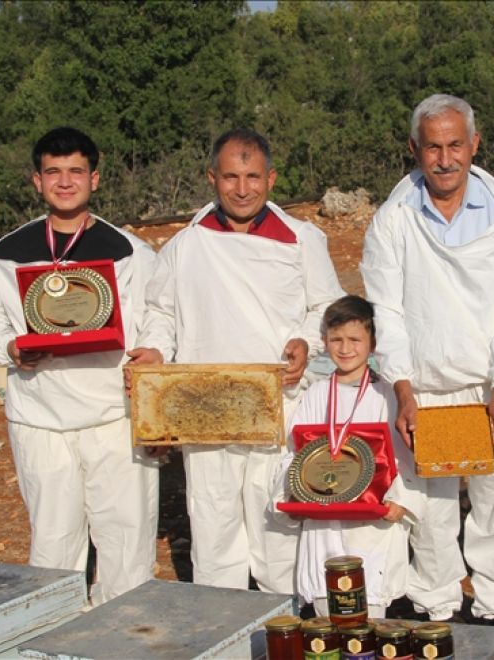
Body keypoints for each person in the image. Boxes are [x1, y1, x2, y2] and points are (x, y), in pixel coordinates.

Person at [128, 128, 345, 594]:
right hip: (205, 407)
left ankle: (283, 626)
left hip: (278, 405)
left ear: (271, 178)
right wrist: (156, 351)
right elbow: (162, 310)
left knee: (277, 531)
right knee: (214, 528)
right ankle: (221, 635)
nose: (242, 189)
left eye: (252, 176)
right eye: (230, 177)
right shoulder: (187, 244)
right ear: (212, 177)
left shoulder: (302, 240)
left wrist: (306, 343)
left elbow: (327, 310)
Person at [360, 94, 494, 623]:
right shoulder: (392, 220)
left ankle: (492, 606)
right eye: (433, 147)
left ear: (474, 145)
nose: (445, 159)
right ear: (414, 149)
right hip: (425, 389)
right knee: (430, 507)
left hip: (492, 387)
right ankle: (436, 607)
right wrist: (402, 389)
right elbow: (386, 309)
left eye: (455, 145)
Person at [0, 127, 159, 605]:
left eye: (76, 171)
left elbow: (161, 312)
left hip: (115, 416)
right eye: (54, 172)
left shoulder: (130, 250)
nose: (65, 181)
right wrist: (10, 347)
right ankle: (53, 637)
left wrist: (154, 348)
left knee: (126, 540)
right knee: (54, 542)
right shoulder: (8, 252)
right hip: (40, 417)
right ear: (37, 181)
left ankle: (124, 639)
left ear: (95, 178)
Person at [275, 295, 425, 618]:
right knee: (325, 614)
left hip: (372, 524)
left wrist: (402, 500)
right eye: (336, 339)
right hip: (324, 522)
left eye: (355, 340)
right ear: (324, 341)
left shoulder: (387, 394)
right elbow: (294, 453)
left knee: (367, 620)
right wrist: (294, 494)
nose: (345, 348)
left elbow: (407, 458)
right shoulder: (316, 394)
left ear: (373, 344)